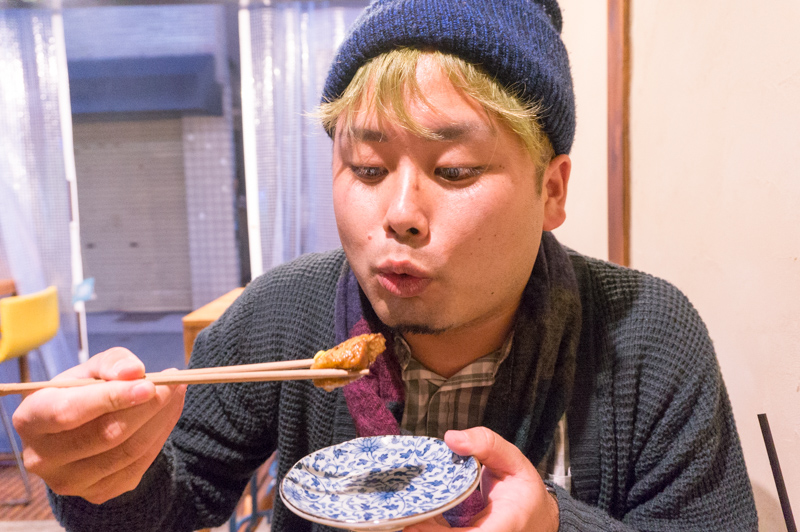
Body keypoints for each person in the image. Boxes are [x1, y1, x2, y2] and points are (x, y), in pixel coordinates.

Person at [13, 0, 758, 530]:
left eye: (455, 170)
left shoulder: (647, 335)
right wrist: (105, 472)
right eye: (367, 168)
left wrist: (556, 526)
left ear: (552, 190)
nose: (399, 212)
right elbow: (172, 501)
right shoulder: (283, 315)